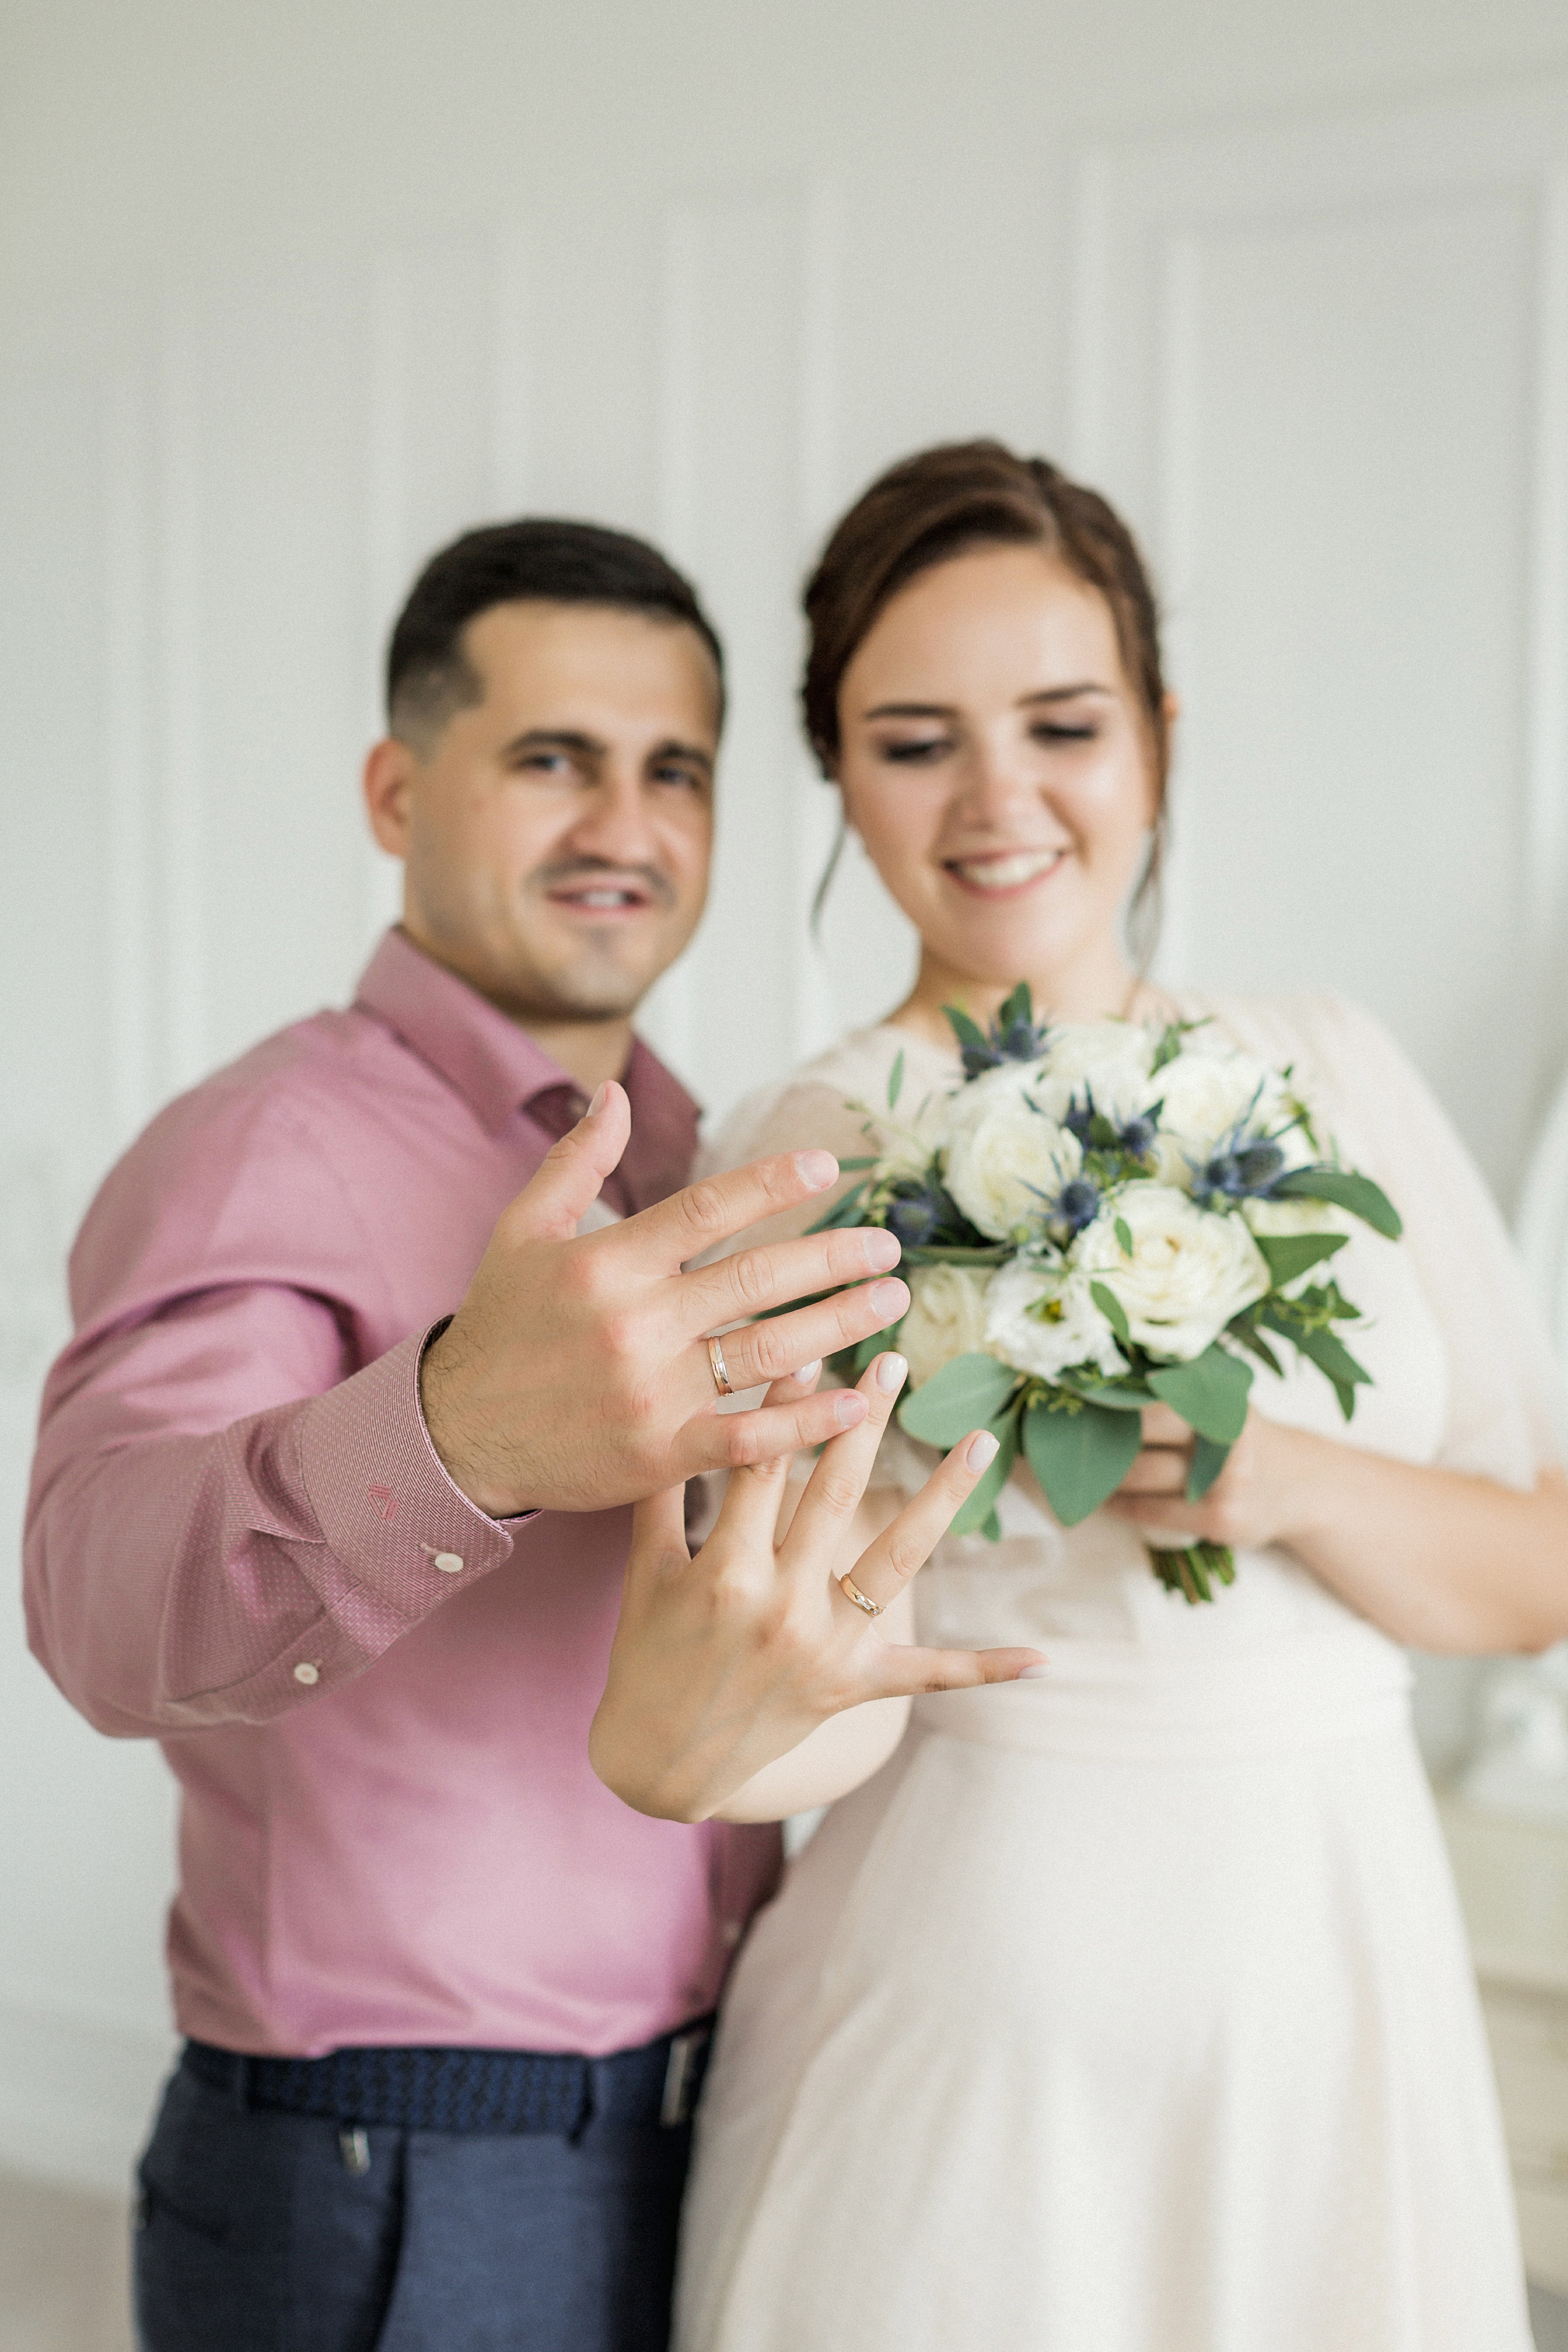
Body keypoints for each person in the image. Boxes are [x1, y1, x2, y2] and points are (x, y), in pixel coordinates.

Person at [23, 515, 1038, 2352]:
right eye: (552, 759)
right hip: (398, 2172)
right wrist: (459, 1434)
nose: (624, 827)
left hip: (714, 2115)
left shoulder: (706, 1154)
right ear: (398, 790)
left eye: (675, 772)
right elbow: (94, 1614)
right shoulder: (261, 1149)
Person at [599, 441, 1568, 2351]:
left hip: (1331, 1970)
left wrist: (1276, 1475)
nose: (999, 800)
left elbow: (1532, 1574)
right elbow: (765, 1677)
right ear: (839, 775)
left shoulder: (1330, 1067)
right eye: (914, 739)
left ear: (1157, 739)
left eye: (1062, 724)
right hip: (971, 1991)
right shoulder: (810, 1148)